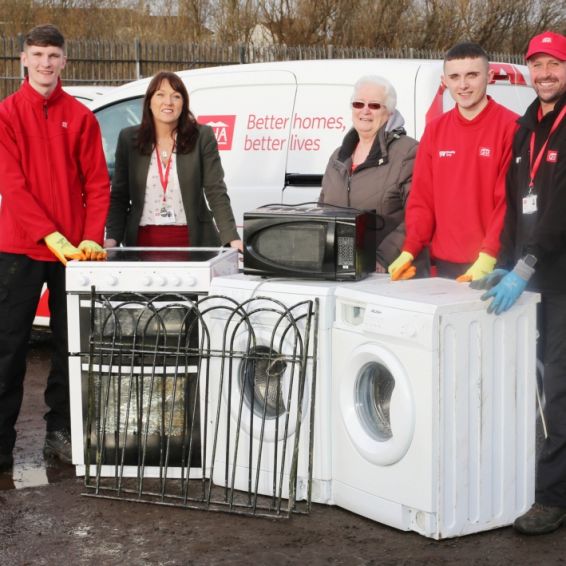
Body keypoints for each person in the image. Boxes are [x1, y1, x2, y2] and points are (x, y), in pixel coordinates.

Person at [0, 25, 109, 473]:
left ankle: (59, 436)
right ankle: (1, 447)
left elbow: (98, 186)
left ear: (65, 61)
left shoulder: (81, 118)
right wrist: (49, 234)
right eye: (38, 54)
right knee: (9, 349)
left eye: (54, 55)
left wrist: (89, 237)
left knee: (70, 350)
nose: (46, 63)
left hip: (73, 257)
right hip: (18, 251)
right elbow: (13, 186)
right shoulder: (6, 114)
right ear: (23, 59)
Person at [472, 31, 566, 535]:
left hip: (560, 280)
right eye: (538, 64)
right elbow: (516, 201)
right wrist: (503, 261)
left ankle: (552, 498)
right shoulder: (527, 126)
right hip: (531, 275)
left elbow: (558, 213)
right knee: (531, 388)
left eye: (554, 64)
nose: (545, 73)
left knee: (558, 390)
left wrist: (525, 266)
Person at [388, 42, 518, 281]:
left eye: (472, 75)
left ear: (488, 76)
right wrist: (410, 249)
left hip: (494, 264)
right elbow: (422, 198)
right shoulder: (436, 129)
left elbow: (507, 202)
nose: (463, 85)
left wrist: (489, 256)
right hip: (446, 265)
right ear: (444, 81)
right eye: (455, 77)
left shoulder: (511, 127)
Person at [104, 70, 242, 251]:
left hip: (193, 243)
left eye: (176, 96)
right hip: (142, 243)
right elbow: (120, 196)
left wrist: (231, 237)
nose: (168, 102)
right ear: (149, 102)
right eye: (160, 94)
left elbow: (215, 190)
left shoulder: (202, 136)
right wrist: (112, 238)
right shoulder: (129, 139)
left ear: (183, 103)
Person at [319, 75, 427, 274]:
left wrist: (382, 258)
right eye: (359, 104)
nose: (365, 111)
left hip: (390, 273)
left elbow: (419, 215)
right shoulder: (338, 157)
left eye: (375, 105)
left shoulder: (408, 152)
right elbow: (322, 211)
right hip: (343, 269)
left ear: (390, 111)